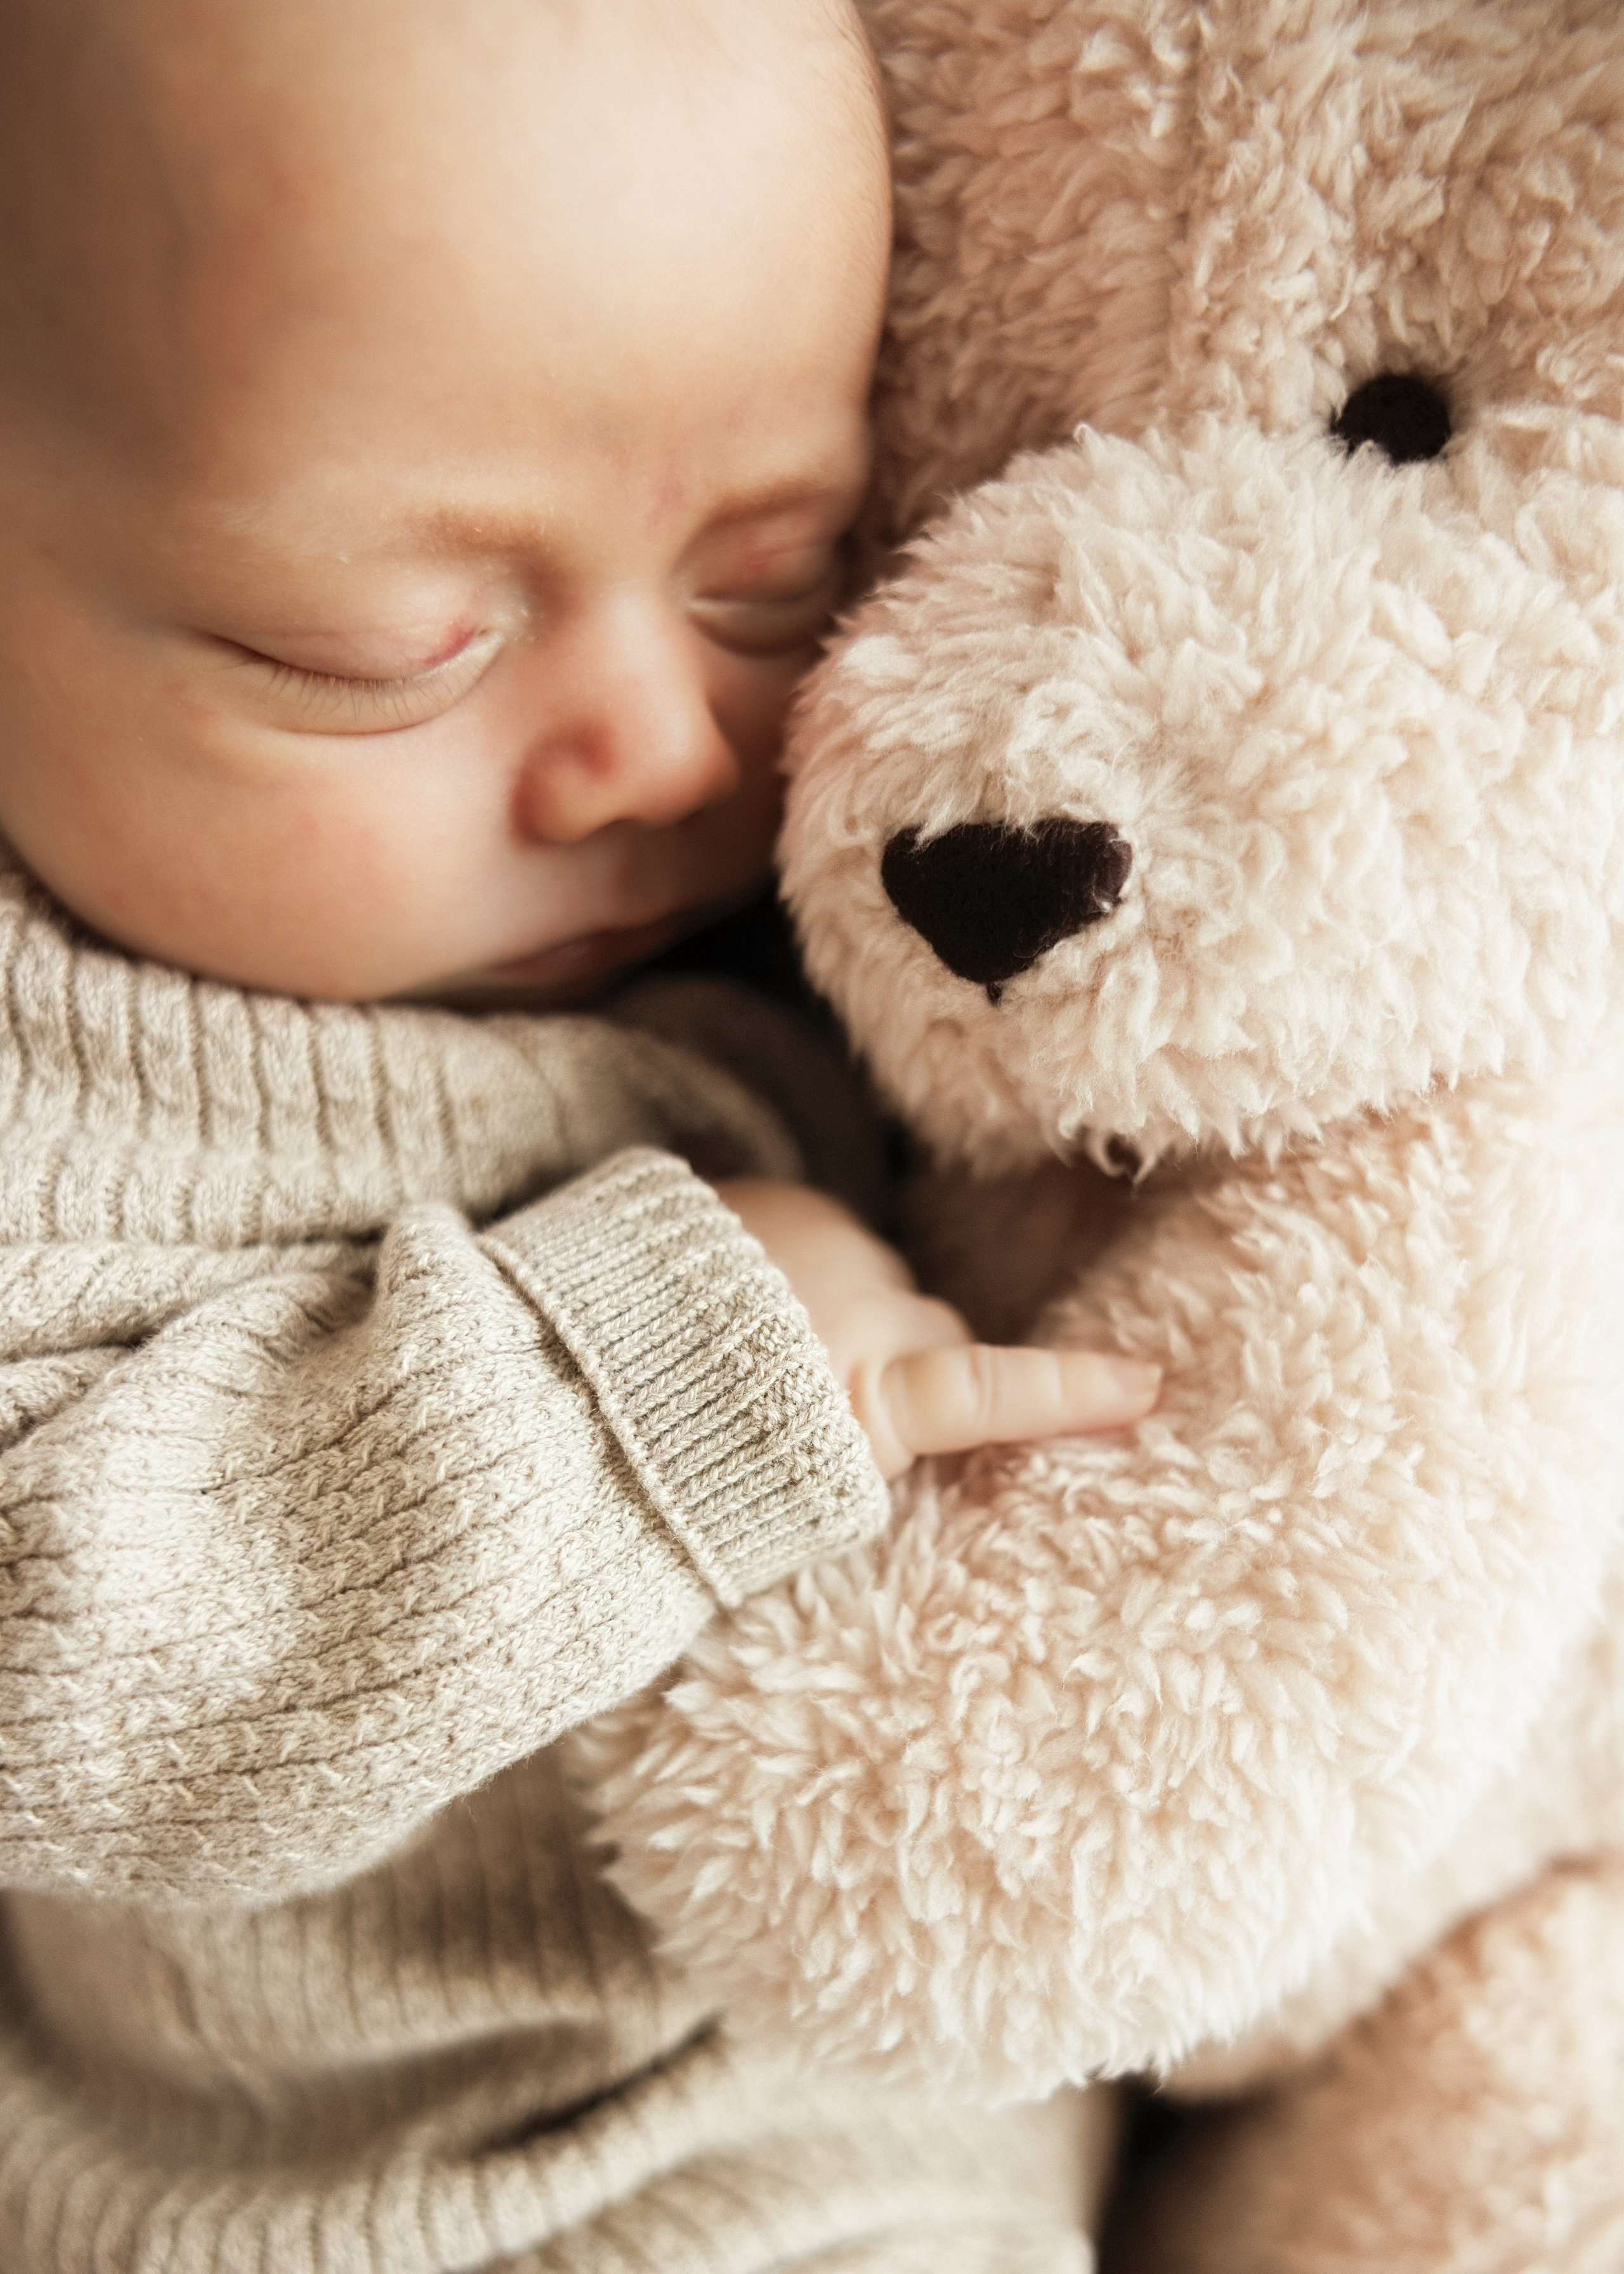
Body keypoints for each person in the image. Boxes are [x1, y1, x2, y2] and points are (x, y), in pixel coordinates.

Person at [0, 1, 1153, 2265]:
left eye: (766, 577)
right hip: (395, 2203)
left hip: (945, 2094)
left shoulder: (805, 871)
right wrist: (635, 1391)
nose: (657, 745)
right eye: (385, 649)